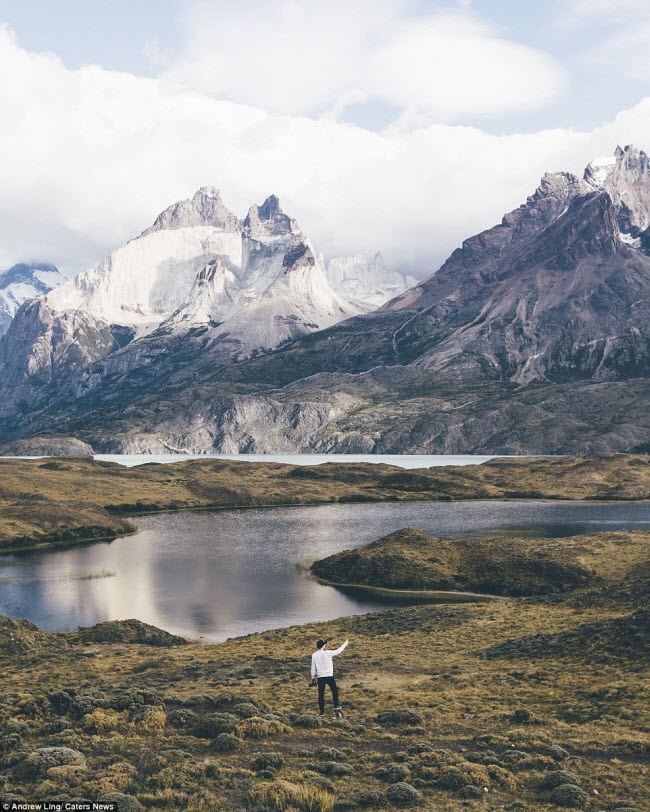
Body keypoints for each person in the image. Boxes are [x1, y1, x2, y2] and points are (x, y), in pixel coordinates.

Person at [310, 637, 349, 718]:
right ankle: (336, 707)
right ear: (323, 646)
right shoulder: (328, 653)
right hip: (329, 676)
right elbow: (338, 651)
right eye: (325, 644)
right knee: (334, 691)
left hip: (320, 677)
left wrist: (313, 677)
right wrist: (345, 644)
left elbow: (313, 668)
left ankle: (322, 712)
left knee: (321, 694)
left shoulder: (314, 655)